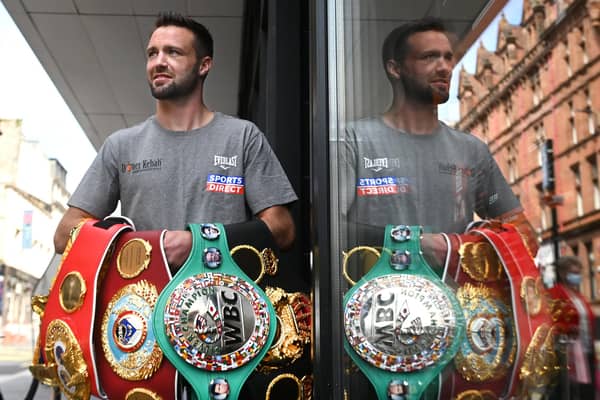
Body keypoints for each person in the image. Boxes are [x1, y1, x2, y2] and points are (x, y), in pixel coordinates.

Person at [53, 12, 297, 268]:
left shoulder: (242, 137)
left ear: (204, 65)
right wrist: (134, 243)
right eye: (152, 53)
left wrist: (200, 242)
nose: (158, 62)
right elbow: (63, 235)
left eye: (173, 52)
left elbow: (282, 229)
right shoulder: (121, 145)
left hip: (222, 300)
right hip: (144, 301)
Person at [341, 16, 537, 263]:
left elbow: (524, 235)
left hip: (455, 299)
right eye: (429, 57)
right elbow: (327, 227)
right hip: (375, 297)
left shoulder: (472, 151)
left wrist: (465, 248)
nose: (444, 67)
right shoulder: (353, 140)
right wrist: (413, 241)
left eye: (447, 57)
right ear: (395, 68)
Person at [549, 256, 598, 400]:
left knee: (587, 390)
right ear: (563, 273)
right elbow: (549, 321)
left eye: (579, 273)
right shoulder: (555, 293)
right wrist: (566, 328)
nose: (577, 276)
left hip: (586, 349)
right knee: (571, 391)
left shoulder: (579, 296)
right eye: (574, 273)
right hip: (567, 354)